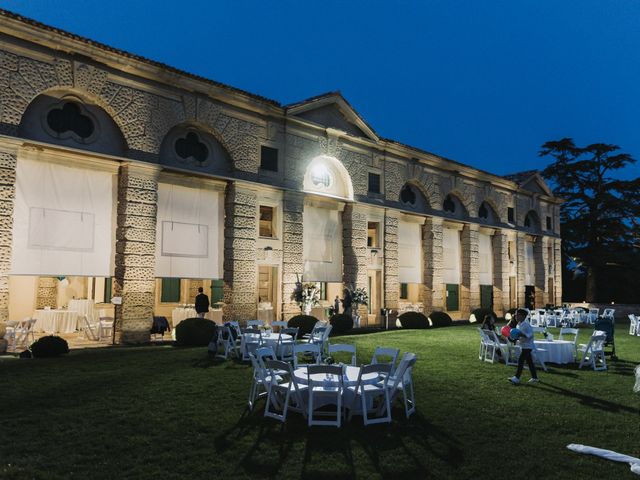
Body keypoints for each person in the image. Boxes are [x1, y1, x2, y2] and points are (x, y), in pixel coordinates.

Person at [509, 308, 539, 385]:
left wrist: (522, 335)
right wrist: (514, 338)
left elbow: (530, 335)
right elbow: (518, 335)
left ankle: (516, 378)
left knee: (521, 361)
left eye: (518, 315)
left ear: (523, 316)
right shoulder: (518, 324)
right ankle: (535, 377)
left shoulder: (526, 325)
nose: (516, 316)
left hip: (528, 346)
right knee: (530, 362)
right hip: (524, 346)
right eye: (515, 315)